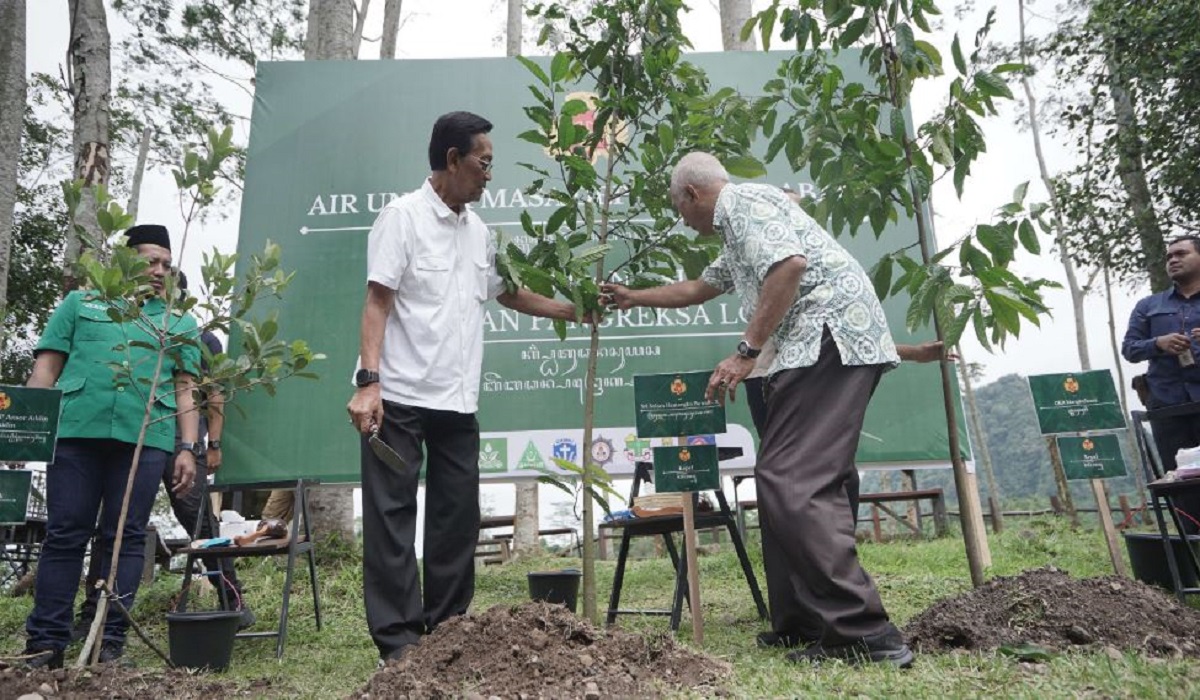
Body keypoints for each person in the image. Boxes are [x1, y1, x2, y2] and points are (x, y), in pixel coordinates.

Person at [601, 152, 913, 667]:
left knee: (792, 479)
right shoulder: (737, 229)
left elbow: (790, 265)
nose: (683, 221)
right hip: (816, 344)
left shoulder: (743, 202)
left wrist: (746, 351)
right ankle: (808, 623)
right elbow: (699, 288)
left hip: (828, 336)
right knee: (792, 481)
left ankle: (863, 633)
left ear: (693, 194)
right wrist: (634, 296)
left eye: (680, 210)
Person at [345, 111, 585, 664]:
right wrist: (369, 383)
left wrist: (572, 312)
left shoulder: (479, 231)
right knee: (392, 518)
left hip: (457, 399)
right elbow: (377, 302)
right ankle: (400, 643)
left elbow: (509, 293)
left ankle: (449, 633)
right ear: (452, 159)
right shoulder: (401, 218)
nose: (488, 174)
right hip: (399, 395)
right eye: (483, 162)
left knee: (457, 518)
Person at [22, 224, 201, 668]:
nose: (160, 270)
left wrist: (188, 448)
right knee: (65, 534)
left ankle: (108, 640)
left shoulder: (178, 321)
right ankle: (45, 644)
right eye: (149, 261)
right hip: (76, 434)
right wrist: (22, 431)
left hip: (145, 439)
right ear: (123, 263)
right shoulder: (80, 304)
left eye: (165, 263)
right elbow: (46, 370)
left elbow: (185, 389)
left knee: (124, 537)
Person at [1122, 235, 1200, 532]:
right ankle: (1192, 550)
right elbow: (1130, 348)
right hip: (1168, 407)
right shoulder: (1149, 306)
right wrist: (1158, 343)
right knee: (1179, 482)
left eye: (1181, 253)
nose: (1173, 260)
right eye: (1169, 257)